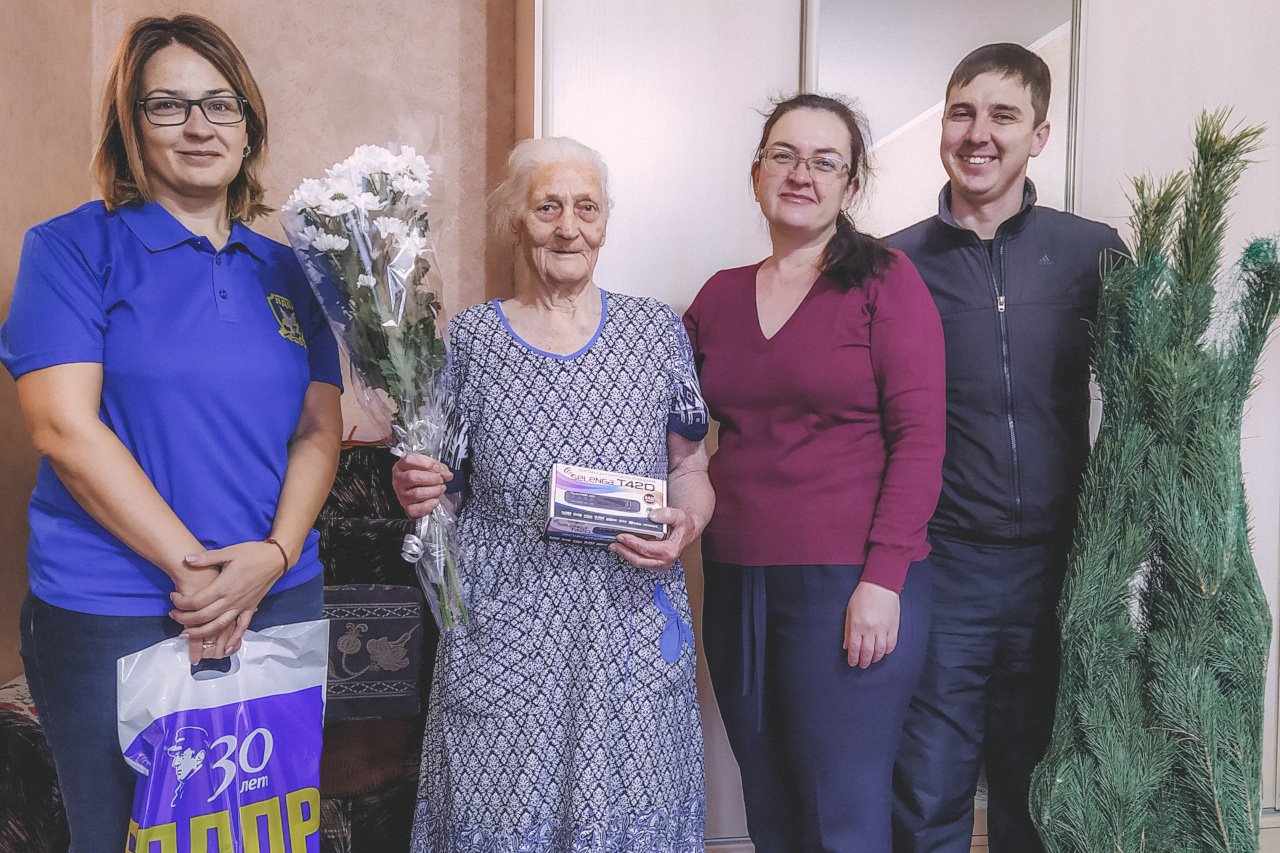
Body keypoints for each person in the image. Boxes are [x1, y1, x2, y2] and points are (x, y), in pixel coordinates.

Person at [0, 15, 342, 851]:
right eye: (168, 105)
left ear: (248, 125)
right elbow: (63, 426)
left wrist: (274, 558)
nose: (199, 126)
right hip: (115, 607)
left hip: (276, 597)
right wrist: (202, 576)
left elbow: (318, 428)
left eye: (221, 105)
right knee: (119, 836)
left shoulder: (290, 269)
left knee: (261, 834)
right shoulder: (72, 249)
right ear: (131, 124)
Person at [391, 136, 714, 851]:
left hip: (627, 619)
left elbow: (690, 467)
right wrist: (418, 486)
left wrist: (686, 523)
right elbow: (443, 490)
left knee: (630, 815)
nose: (569, 228)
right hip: (507, 621)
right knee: (502, 816)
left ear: (606, 222)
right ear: (516, 218)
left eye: (586, 208)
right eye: (548, 208)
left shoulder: (655, 330)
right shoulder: (473, 337)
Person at [683, 94, 946, 852]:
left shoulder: (885, 281)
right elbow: (657, 419)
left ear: (850, 185)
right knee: (770, 808)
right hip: (738, 581)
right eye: (785, 156)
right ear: (756, 173)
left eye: (825, 162)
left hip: (850, 583)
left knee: (843, 815)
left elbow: (921, 438)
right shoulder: (719, 295)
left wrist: (884, 579)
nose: (802, 174)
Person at [888, 43, 1129, 853]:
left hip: (1059, 565)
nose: (978, 134)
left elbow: (1146, 402)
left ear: (1040, 134)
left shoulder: (1093, 251)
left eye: (1003, 115)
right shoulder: (893, 263)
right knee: (928, 787)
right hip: (942, 563)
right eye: (961, 113)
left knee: (1041, 790)